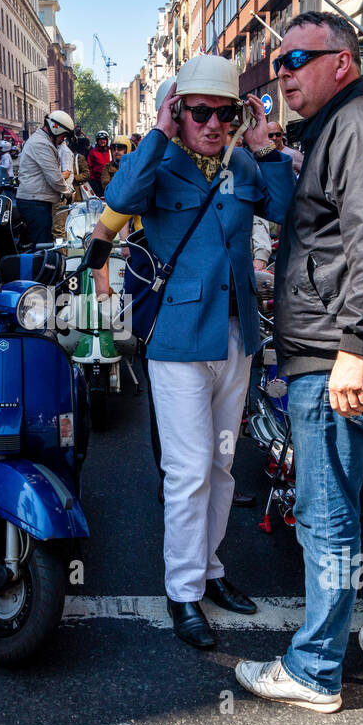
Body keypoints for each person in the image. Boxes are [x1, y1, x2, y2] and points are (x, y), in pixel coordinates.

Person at [234, 11, 363, 713]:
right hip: (351, 352)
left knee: (327, 517)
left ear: (342, 62)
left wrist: (354, 346)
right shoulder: (345, 127)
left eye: (295, 59)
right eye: (279, 63)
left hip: (338, 358)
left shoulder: (359, 126)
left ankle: (317, 668)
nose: (282, 74)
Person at [98, 53, 293, 650]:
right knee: (186, 472)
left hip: (236, 335)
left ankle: (209, 571)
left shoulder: (240, 161)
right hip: (179, 341)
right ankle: (182, 591)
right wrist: (156, 132)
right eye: (200, 112)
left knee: (221, 467)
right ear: (179, 112)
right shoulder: (157, 163)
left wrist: (264, 149)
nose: (213, 124)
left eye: (225, 113)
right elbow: (122, 194)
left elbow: (283, 211)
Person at [16, 109, 74, 247]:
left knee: (40, 242)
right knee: (43, 246)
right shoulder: (41, 143)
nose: (62, 140)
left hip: (36, 200)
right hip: (35, 202)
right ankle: (40, 268)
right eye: (63, 136)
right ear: (56, 129)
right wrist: (68, 193)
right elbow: (54, 177)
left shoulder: (40, 140)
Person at [87, 131, 113, 197]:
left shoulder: (111, 151)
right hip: (96, 182)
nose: (102, 141)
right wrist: (92, 179)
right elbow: (89, 166)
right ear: (97, 141)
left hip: (109, 181)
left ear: (107, 140)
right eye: (100, 140)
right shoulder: (93, 152)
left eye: (104, 140)